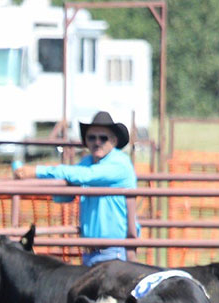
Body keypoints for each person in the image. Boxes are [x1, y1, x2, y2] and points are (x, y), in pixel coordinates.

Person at [14, 111, 139, 266]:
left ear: (113, 141)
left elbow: (85, 175)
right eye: (92, 137)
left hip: (115, 251)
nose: (97, 142)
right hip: (90, 252)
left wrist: (37, 172)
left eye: (103, 138)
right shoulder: (87, 162)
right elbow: (65, 195)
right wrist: (58, 185)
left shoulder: (120, 163)